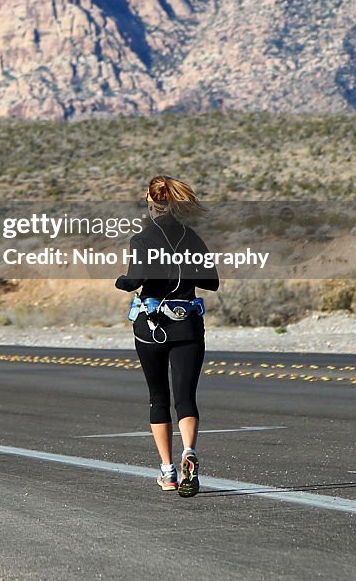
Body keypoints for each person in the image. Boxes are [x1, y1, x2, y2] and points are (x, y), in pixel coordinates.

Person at [115, 176, 219, 498]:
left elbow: (135, 281)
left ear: (150, 201)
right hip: (188, 325)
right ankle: (189, 451)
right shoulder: (192, 238)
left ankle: (168, 471)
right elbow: (212, 282)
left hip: (152, 326)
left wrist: (121, 281)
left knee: (158, 398)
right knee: (185, 398)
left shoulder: (142, 239)